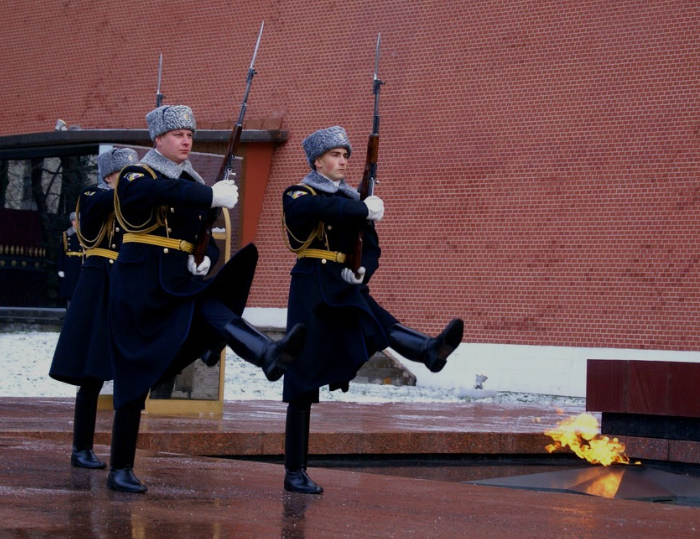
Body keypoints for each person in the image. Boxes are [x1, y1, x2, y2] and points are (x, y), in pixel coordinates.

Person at [107, 105, 306, 493]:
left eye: (190, 134)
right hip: (140, 287)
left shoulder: (193, 182)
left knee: (211, 304)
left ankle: (266, 352)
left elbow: (204, 240)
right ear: (158, 139)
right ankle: (120, 468)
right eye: (178, 134)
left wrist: (204, 260)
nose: (186, 140)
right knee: (134, 374)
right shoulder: (138, 173)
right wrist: (208, 194)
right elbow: (149, 193)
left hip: (178, 283)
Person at [281, 126, 464, 494]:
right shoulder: (301, 191)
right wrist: (360, 207)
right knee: (301, 380)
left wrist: (364, 268)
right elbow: (311, 208)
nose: (342, 161)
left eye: (345, 156)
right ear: (317, 161)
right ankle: (294, 472)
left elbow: (373, 248)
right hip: (312, 285)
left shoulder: (354, 198)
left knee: (373, 318)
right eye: (335, 155)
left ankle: (428, 349)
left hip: (344, 283)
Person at [49, 147, 138, 470]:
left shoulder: (133, 197)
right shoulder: (93, 193)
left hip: (126, 281)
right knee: (92, 370)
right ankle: (81, 447)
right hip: (98, 280)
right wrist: (126, 189)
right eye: (124, 173)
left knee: (131, 369)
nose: (131, 179)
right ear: (109, 175)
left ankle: (123, 452)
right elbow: (98, 207)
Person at [57, 212, 83, 307]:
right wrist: (60, 269)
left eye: (78, 221)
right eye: (74, 221)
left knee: (79, 290)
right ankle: (68, 313)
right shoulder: (65, 235)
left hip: (80, 265)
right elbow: (60, 254)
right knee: (69, 291)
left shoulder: (84, 236)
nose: (76, 223)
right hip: (69, 265)